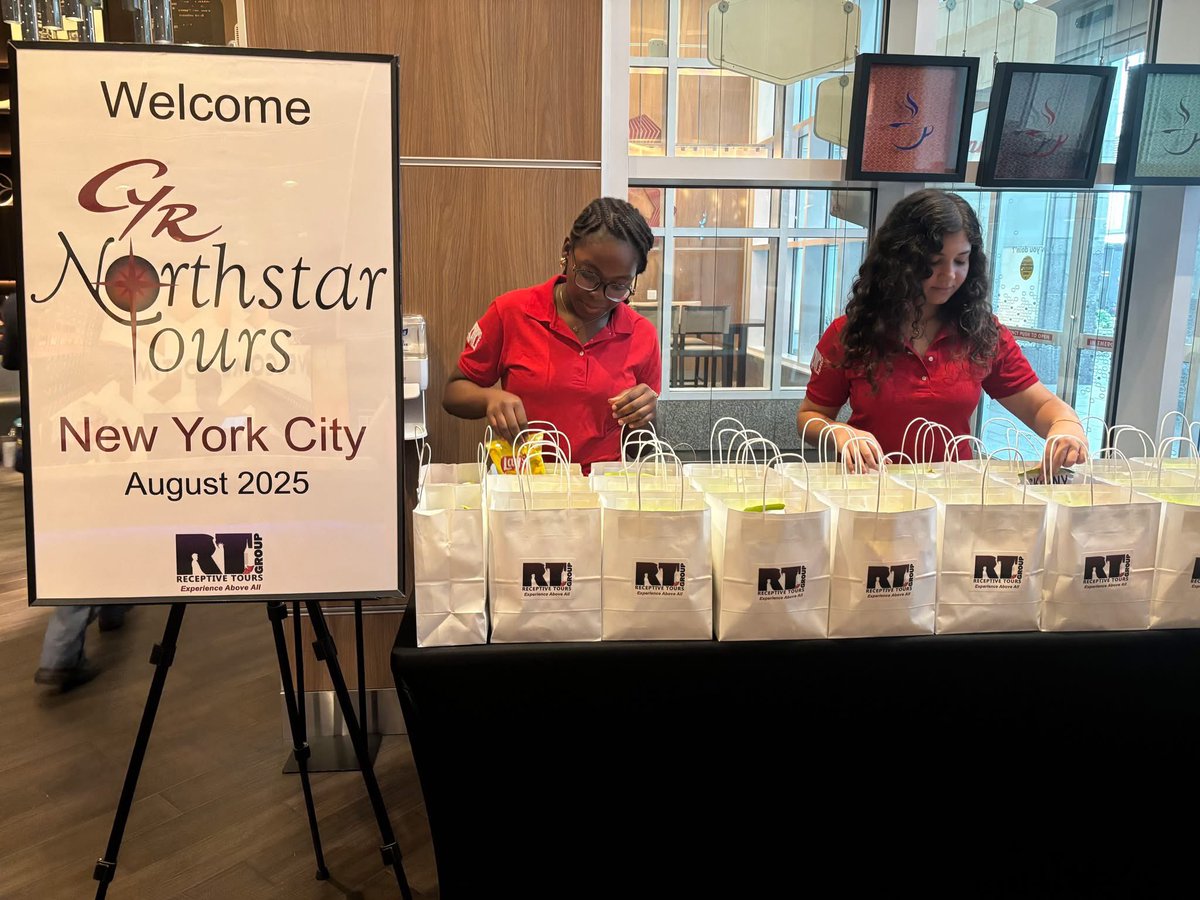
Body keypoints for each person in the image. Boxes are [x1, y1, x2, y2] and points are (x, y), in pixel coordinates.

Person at [797, 189, 1088, 472]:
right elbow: (810, 417)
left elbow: (1040, 407)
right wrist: (838, 432)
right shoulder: (851, 331)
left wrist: (1066, 426)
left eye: (960, 260)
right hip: (872, 492)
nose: (949, 275)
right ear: (899, 262)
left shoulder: (981, 332)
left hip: (953, 494)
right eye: (934, 263)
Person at [443, 197, 661, 471]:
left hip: (599, 495)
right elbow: (453, 394)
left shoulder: (642, 335)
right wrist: (490, 399)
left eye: (618, 286)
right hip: (524, 487)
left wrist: (648, 417)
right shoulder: (511, 312)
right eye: (588, 275)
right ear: (567, 252)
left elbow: (639, 447)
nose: (596, 296)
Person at [1, 291, 128, 691]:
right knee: (94, 532)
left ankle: (112, 606)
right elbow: (120, 364)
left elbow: (11, 360)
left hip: (48, 431)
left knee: (82, 530)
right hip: (99, 426)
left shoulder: (17, 303)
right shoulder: (99, 302)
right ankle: (60, 653)